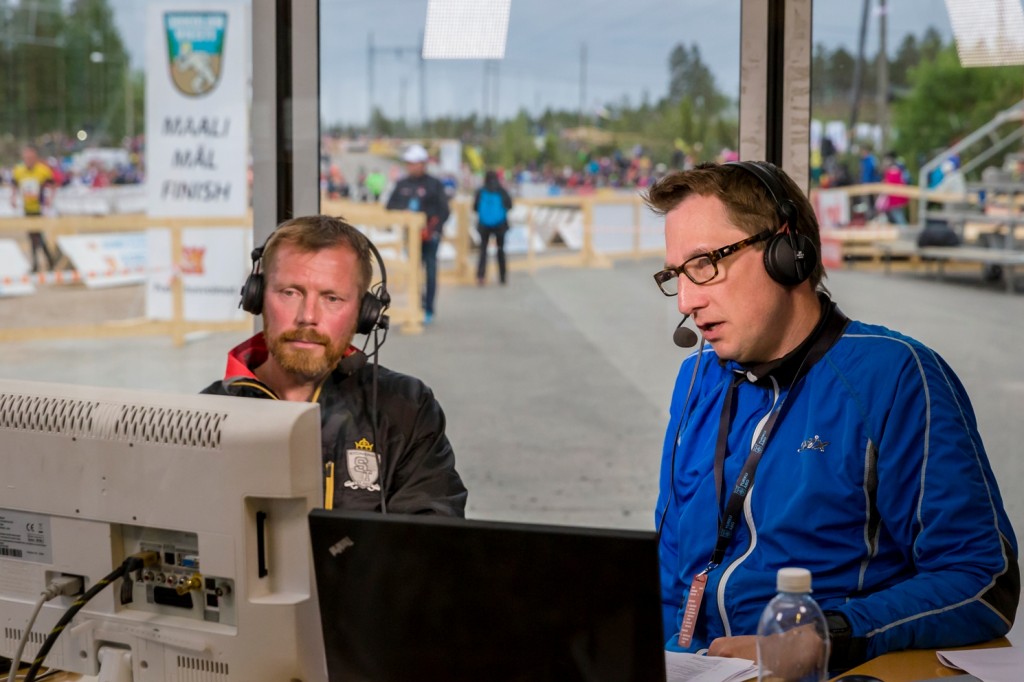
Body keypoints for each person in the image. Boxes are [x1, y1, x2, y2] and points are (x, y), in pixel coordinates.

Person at [645, 161, 1019, 673]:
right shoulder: (695, 381)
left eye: (705, 263)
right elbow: (672, 565)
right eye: (675, 275)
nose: (687, 300)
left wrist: (826, 636)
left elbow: (980, 580)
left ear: (787, 253)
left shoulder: (894, 377)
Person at [201, 214, 467, 516]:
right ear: (257, 297)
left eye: (332, 298)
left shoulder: (407, 409)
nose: (308, 316)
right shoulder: (206, 417)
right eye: (290, 292)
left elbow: (432, 549)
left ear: (365, 316)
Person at [386, 144, 450, 325]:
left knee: (430, 271)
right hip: (411, 237)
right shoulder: (402, 184)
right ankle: (417, 304)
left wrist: (434, 230)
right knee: (413, 271)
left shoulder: (434, 184)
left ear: (423, 163)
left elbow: (444, 210)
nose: (411, 166)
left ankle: (429, 308)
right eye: (409, 163)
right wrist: (404, 211)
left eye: (414, 163)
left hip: (430, 236)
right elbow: (390, 205)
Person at [11, 145, 57, 272]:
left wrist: (49, 199)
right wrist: (13, 198)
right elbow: (14, 185)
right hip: (27, 208)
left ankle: (38, 263)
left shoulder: (43, 170)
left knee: (37, 236)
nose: (28, 160)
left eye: (30, 157)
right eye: (26, 157)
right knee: (33, 236)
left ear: (35, 157)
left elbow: (53, 185)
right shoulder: (18, 170)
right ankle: (48, 261)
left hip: (40, 208)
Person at [473, 170, 513, 286]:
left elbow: (475, 207)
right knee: (500, 250)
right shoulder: (501, 191)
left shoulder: (481, 191)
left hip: (484, 225)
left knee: (483, 251)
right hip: (500, 225)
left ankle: (481, 276)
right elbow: (509, 205)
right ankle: (502, 276)